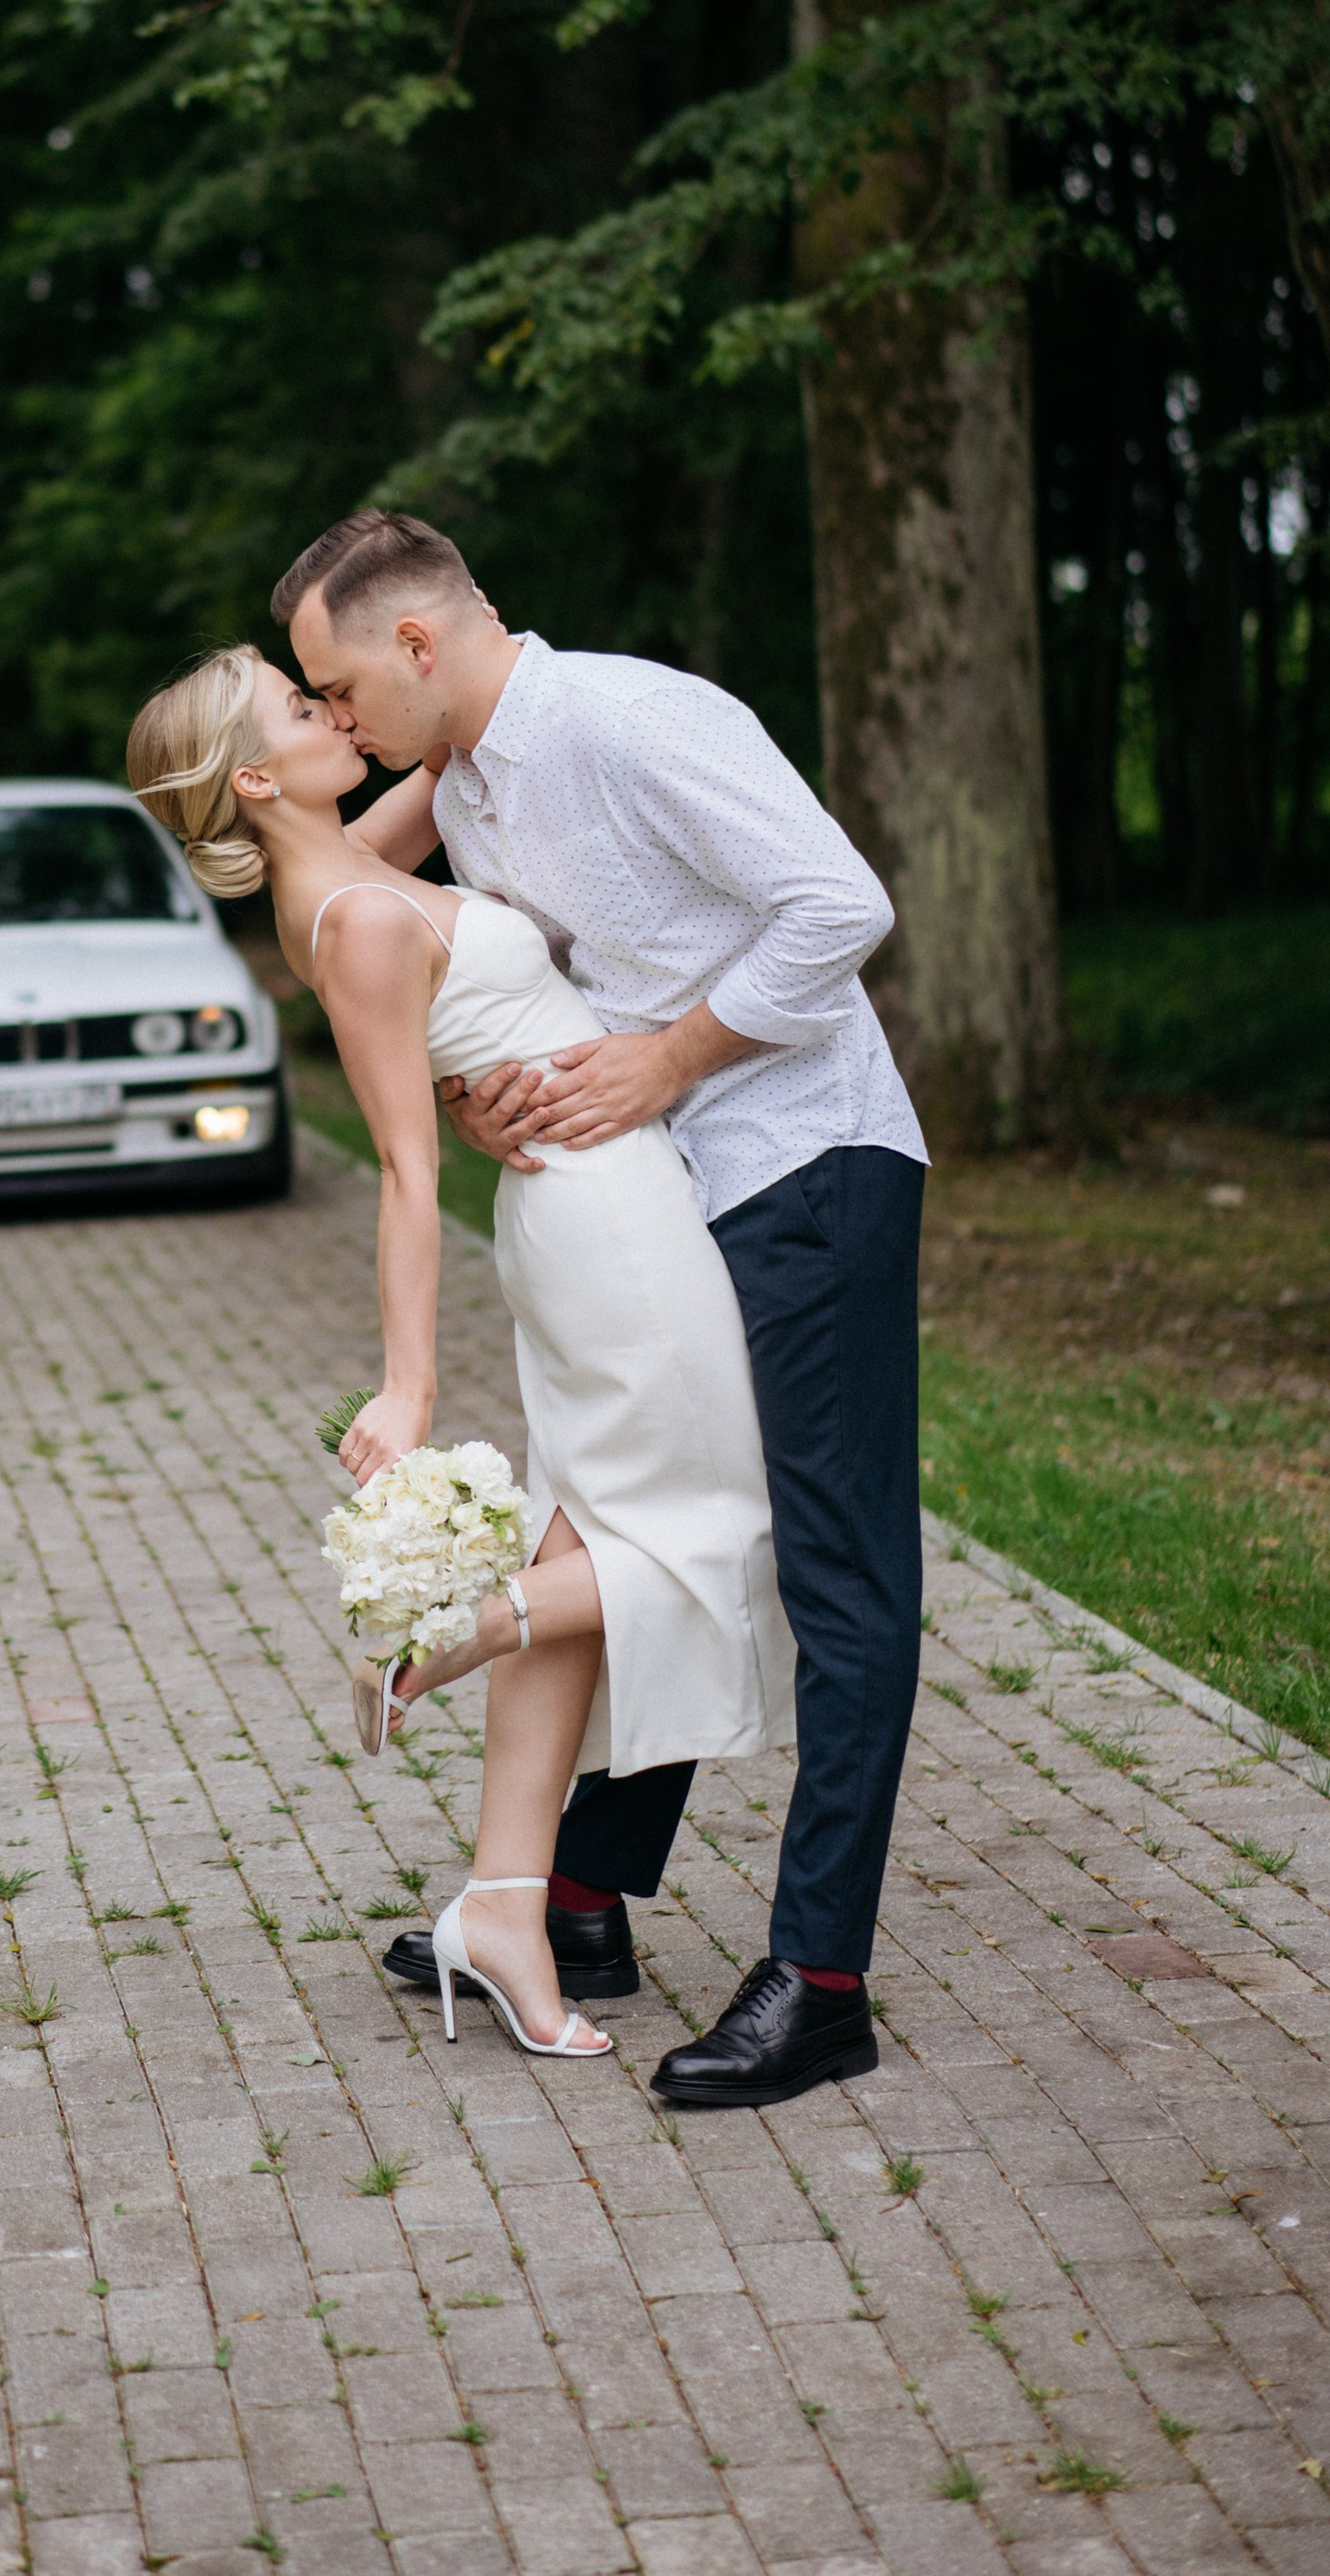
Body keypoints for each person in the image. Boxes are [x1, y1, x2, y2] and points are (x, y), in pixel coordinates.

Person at [274, 508, 925, 2111]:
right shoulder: (473, 774)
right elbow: (358, 920)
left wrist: (666, 1057)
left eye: (340, 690)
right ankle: (579, 1900)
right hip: (662, 1186)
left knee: (836, 1568)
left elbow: (841, 908)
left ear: (417, 645)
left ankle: (822, 1976)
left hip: (804, 1158)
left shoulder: (633, 719)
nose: (341, 729)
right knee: (661, 1505)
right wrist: (482, 1085)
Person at [127, 645, 794, 2067]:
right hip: (607, 1219)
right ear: (256, 776)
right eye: (306, 709)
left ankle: (505, 1902)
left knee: (586, 1533)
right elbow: (404, 1175)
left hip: (583, 1191)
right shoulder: (355, 916)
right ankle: (455, 1631)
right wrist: (410, 1380)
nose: (338, 713)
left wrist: (448, 659)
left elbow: (456, 738)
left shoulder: (344, 864)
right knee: (715, 1529)